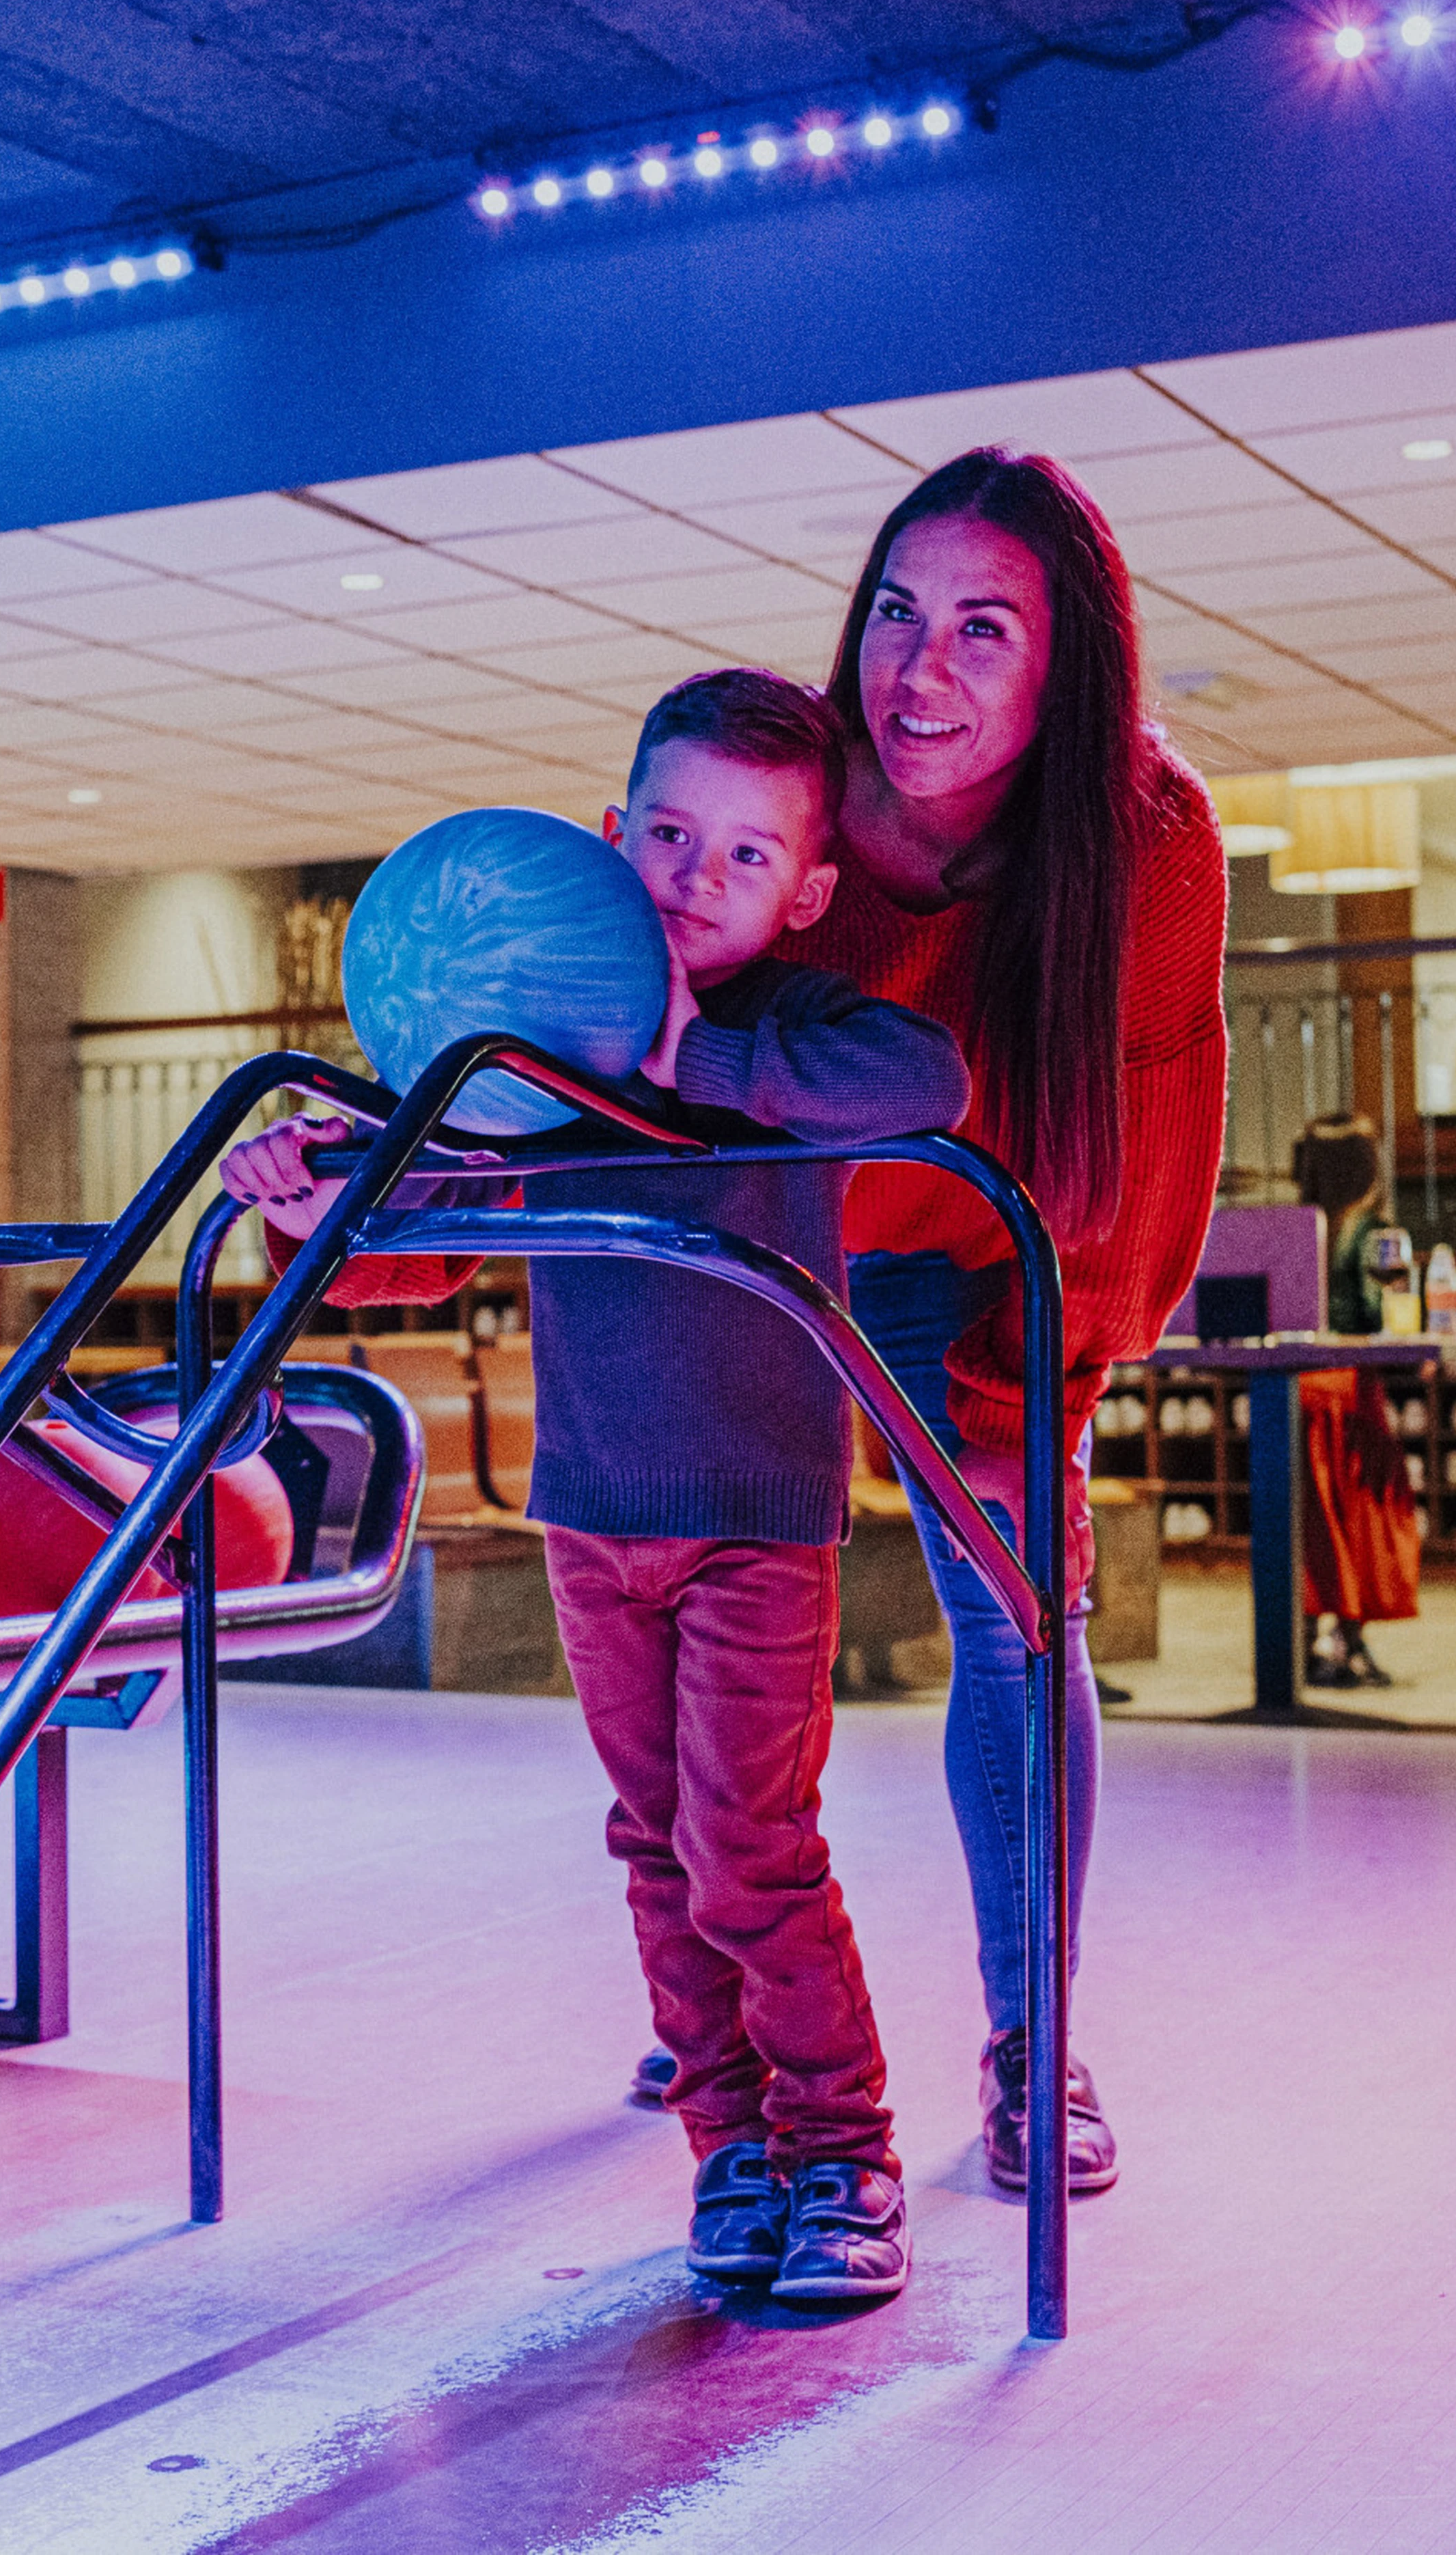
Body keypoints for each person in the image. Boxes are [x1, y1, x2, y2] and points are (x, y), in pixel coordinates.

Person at [223, 669, 970, 2302]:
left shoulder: (792, 1031)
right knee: (656, 1841)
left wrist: (697, 1056)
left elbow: (926, 1085)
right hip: (591, 1511)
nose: (699, 880)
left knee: (747, 1845)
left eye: (748, 856)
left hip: (758, 1516)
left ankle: (841, 2149)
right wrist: (296, 1201)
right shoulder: (536, 1062)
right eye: (672, 838)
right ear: (611, 836)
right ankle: (733, 2150)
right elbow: (413, 1247)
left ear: (806, 891)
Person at [767, 447, 1230, 2198]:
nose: (919, 667)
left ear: (1066, 664)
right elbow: (613, 1044)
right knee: (717, 1610)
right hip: (771, 1232)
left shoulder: (1145, 834)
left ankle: (1034, 2037)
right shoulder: (791, 783)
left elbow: (1140, 1148)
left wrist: (1033, 1401)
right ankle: (722, 1985)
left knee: (1023, 1618)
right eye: (897, 610)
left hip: (979, 1254)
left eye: (983, 628)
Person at [1291, 1113, 1420, 1686]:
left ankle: (1305, 1644)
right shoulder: (1373, 1233)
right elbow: (1376, 1313)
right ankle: (1349, 1641)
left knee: (1311, 1526)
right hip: (1349, 1393)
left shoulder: (1299, 1226)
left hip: (1298, 1387)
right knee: (1361, 1519)